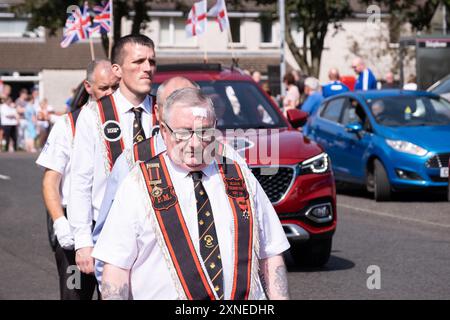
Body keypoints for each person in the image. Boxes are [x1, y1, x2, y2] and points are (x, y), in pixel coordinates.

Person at [93, 87, 291, 300]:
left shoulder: (241, 176)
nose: (195, 144)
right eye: (184, 133)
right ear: (164, 131)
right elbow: (116, 269)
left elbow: (270, 254)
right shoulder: (137, 185)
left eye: (205, 132)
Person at [68, 34, 157, 278]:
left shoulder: (165, 111)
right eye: (138, 62)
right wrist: (83, 241)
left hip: (159, 234)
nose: (147, 68)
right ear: (117, 70)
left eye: (151, 61)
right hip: (109, 234)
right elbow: (80, 180)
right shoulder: (93, 115)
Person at [36, 59, 119, 300]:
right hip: (75, 226)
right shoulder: (67, 124)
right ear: (89, 87)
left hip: (113, 224)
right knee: (75, 294)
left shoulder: (125, 123)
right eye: (104, 88)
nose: (110, 94)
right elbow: (50, 181)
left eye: (115, 87)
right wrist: (60, 221)